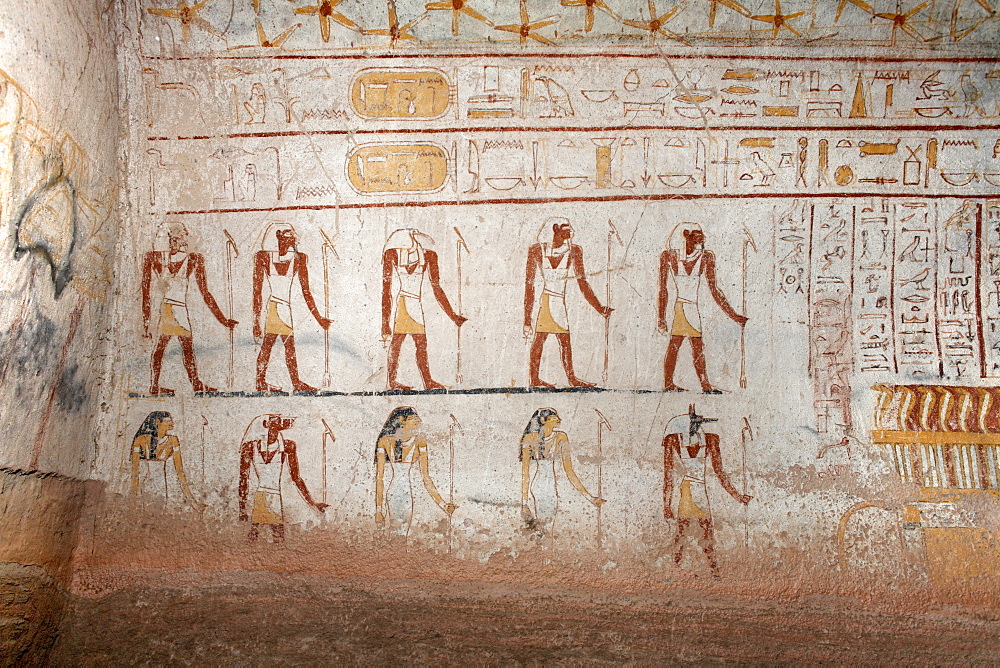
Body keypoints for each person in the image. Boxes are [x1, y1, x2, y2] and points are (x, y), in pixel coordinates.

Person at [141, 222, 237, 395]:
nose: (187, 238)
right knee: (170, 347)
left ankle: (182, 384)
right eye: (184, 234)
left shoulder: (194, 259)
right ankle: (168, 385)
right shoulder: (155, 257)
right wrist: (146, 322)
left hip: (177, 308)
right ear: (175, 237)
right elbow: (145, 292)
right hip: (170, 309)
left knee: (179, 347)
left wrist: (223, 320)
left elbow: (205, 293)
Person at [657, 222, 748, 393]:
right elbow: (663, 289)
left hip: (691, 307)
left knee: (683, 344)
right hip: (682, 307)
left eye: (701, 234)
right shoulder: (668, 256)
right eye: (696, 234)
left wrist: (734, 316)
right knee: (686, 345)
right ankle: (695, 385)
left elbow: (714, 290)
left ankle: (687, 384)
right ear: (686, 235)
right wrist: (661, 318)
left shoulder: (706, 257)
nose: (701, 237)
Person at [662, 404, 751, 577]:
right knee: (691, 531)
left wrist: (738, 496)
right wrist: (666, 505)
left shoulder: (710, 439)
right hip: (691, 490)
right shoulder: (677, 440)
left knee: (694, 531)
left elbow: (719, 471)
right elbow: (669, 477)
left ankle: (701, 569)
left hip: (693, 489)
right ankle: (707, 570)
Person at [524, 218, 613, 387]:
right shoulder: (537, 250)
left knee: (556, 339)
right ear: (555, 229)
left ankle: (565, 379)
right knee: (549, 339)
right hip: (549, 298)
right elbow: (529, 285)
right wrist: (527, 320)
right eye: (566, 228)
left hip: (558, 301)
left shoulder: (574, 251)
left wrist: (599, 308)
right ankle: (539, 379)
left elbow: (582, 282)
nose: (571, 230)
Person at [381, 229, 467, 390]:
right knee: (398, 342)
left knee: (420, 344)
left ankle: (426, 381)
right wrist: (385, 323)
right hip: (404, 302)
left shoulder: (429, 256)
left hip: (415, 303)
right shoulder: (392, 254)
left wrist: (453, 316)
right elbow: (386, 291)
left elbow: (436, 288)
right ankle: (393, 382)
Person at [252, 222, 332, 393]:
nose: (292, 242)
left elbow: (306, 292)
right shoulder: (263, 257)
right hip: (275, 307)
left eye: (293, 239)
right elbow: (257, 292)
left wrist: (319, 319)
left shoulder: (299, 259)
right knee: (274, 345)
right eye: (288, 238)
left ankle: (284, 382)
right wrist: (255, 322)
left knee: (279, 345)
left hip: (284, 308)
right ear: (279, 238)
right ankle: (272, 382)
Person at [238, 414, 328, 543]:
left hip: (274, 498)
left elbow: (296, 478)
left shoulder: (287, 445)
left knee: (276, 539)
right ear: (266, 424)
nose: (279, 422)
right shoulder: (249, 447)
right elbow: (243, 479)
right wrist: (242, 508)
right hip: (261, 497)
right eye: (275, 420)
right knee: (257, 538)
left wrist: (313, 503)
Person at [520, 407, 604, 534]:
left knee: (547, 529)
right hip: (538, 488)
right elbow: (525, 474)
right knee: (545, 530)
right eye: (554, 418)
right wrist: (524, 503)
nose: (558, 420)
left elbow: (569, 471)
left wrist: (590, 498)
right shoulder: (529, 439)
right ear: (543, 421)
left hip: (551, 488)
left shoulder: (561, 437)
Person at [374, 406, 457, 532]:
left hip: (407, 495)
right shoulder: (385, 441)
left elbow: (426, 477)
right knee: (395, 534)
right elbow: (379, 478)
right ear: (402, 420)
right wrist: (379, 509)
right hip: (394, 494)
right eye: (413, 418)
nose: (419, 420)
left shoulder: (419, 442)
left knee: (402, 534)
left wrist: (443, 505)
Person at [130, 410, 203, 509]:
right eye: (168, 421)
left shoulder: (173, 440)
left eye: (171, 421)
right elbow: (135, 471)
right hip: (146, 485)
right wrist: (132, 500)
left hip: (162, 486)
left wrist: (193, 502)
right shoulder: (141, 439)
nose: (172, 423)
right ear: (157, 422)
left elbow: (179, 471)